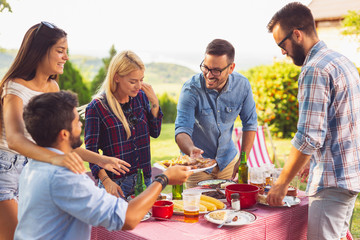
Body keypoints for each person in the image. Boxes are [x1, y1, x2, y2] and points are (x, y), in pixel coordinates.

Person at [0, 21, 128, 240]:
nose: (66, 57)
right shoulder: (14, 87)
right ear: (40, 52)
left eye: (66, 51)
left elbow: (60, 140)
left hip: (33, 171)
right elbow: (15, 139)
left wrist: (101, 159)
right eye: (60, 51)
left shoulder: (53, 87)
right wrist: (57, 159)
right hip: (6, 171)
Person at [14, 90, 191, 240]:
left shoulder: (33, 166)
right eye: (76, 122)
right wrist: (164, 178)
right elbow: (128, 218)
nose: (81, 124)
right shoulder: (65, 178)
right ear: (64, 135)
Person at [266, 3, 360, 240]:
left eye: (282, 44)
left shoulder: (314, 70)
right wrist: (311, 162)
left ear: (297, 34)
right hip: (348, 177)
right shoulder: (341, 61)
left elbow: (308, 136)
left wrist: (281, 184)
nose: (282, 52)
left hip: (331, 184)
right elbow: (340, 122)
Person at [175, 39, 258, 188]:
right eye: (205, 67)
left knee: (231, 209)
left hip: (228, 163)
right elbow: (182, 129)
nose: (209, 75)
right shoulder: (190, 89)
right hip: (198, 166)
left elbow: (250, 124)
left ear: (231, 68)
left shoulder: (242, 85)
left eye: (216, 71)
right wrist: (191, 150)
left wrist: (243, 160)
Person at [85, 50, 163, 198]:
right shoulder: (97, 107)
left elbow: (155, 132)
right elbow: (91, 153)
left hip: (144, 181)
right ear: (116, 77)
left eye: (141, 80)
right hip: (116, 185)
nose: (139, 86)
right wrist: (107, 182)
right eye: (133, 81)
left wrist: (155, 103)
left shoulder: (141, 97)